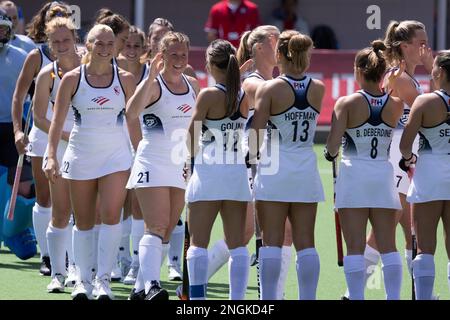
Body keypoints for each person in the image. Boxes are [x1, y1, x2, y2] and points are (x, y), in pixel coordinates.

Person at [339, 20, 435, 300]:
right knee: (391, 226)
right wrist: (432, 69)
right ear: (405, 46)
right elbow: (433, 112)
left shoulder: (404, 75)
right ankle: (354, 293)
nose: (425, 48)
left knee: (405, 226)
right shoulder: (399, 77)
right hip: (398, 155)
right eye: (421, 43)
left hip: (405, 153)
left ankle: (416, 292)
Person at [44, 24, 136, 300]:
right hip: (81, 155)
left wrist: (142, 154)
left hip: (116, 157)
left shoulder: (127, 79)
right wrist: (50, 155)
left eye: (110, 43)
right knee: (83, 221)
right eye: (100, 43)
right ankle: (83, 280)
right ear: (88, 43)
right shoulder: (71, 79)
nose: (105, 48)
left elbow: (134, 122)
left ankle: (103, 281)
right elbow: (57, 122)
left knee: (110, 216)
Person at [326, 40, 404, 300]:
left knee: (355, 248)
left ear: (359, 71)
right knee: (389, 246)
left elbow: (332, 148)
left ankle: (356, 297)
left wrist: (330, 152)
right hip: (382, 176)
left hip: (354, 177)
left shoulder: (346, 103)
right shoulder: (396, 105)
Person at [250, 30, 324, 300]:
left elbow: (255, 134)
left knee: (271, 241)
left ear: (280, 54)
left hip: (275, 168)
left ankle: (268, 301)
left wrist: (248, 160)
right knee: (306, 243)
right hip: (305, 167)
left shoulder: (270, 88)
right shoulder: (318, 87)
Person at [126, 31, 199, 300]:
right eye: (173, 54)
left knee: (168, 229)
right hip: (152, 161)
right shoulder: (154, 84)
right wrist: (150, 76)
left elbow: (198, 125)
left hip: (180, 165)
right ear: (162, 55)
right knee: (155, 226)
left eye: (183, 54)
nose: (179, 59)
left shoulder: (193, 84)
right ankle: (153, 286)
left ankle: (138, 289)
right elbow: (131, 113)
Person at [185, 39, 251, 300]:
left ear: (211, 65)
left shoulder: (209, 94)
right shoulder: (243, 94)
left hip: (209, 172)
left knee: (198, 242)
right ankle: (237, 301)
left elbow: (191, 135)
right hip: (235, 171)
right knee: (237, 244)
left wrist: (188, 159)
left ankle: (198, 299)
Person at [11, 1, 71, 277]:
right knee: (44, 198)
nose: (59, 18)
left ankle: (67, 257)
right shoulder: (36, 56)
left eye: (63, 15)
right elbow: (19, 95)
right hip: (42, 134)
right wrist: (18, 131)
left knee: (69, 200)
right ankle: (47, 256)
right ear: (46, 26)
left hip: (72, 137)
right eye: (54, 15)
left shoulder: (81, 58)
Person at [236, 25, 294, 300]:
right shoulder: (251, 80)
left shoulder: (279, 80)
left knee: (285, 233)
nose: (282, 45)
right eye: (276, 40)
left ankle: (275, 296)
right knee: (257, 233)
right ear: (259, 47)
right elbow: (273, 95)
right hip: (259, 160)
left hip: (282, 160)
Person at [33, 16, 80, 293]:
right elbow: (38, 117)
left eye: (66, 39)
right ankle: (58, 273)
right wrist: (62, 135)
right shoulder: (46, 75)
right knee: (60, 212)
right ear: (49, 44)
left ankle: (79, 269)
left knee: (85, 214)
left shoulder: (91, 69)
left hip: (88, 147)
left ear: (75, 39)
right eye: (56, 41)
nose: (62, 45)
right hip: (59, 145)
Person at [399, 51, 450, 300]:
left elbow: (405, 145)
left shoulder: (424, 102)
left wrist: (409, 160)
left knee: (424, 248)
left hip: (429, 176)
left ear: (438, 73)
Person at [116, 25, 148, 285]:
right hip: (116, 144)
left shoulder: (151, 75)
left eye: (137, 46)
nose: (132, 50)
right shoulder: (112, 73)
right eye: (128, 45)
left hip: (143, 144)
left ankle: (136, 264)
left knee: (137, 204)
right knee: (118, 203)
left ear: (144, 49)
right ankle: (121, 258)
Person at [0, 9, 32, 200]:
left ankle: (17, 230)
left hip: (14, 128)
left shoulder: (22, 56)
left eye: (3, 29)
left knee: (24, 188)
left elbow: (39, 88)